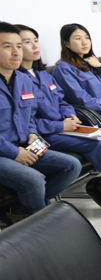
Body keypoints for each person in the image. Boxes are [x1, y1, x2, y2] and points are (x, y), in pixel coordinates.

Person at [0, 22, 81, 222]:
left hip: (23, 145)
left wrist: (32, 134)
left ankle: (21, 210)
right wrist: (14, 153)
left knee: (71, 165)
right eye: (7, 46)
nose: (16, 52)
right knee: (34, 180)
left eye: (19, 46)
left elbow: (29, 116)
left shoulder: (24, 80)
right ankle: (43, 223)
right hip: (5, 152)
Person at [15, 24, 101, 171]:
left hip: (65, 127)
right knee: (96, 144)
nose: (35, 46)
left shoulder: (43, 74)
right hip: (44, 135)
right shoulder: (17, 80)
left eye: (36, 40)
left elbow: (62, 101)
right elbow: (25, 121)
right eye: (27, 42)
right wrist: (61, 126)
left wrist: (70, 115)